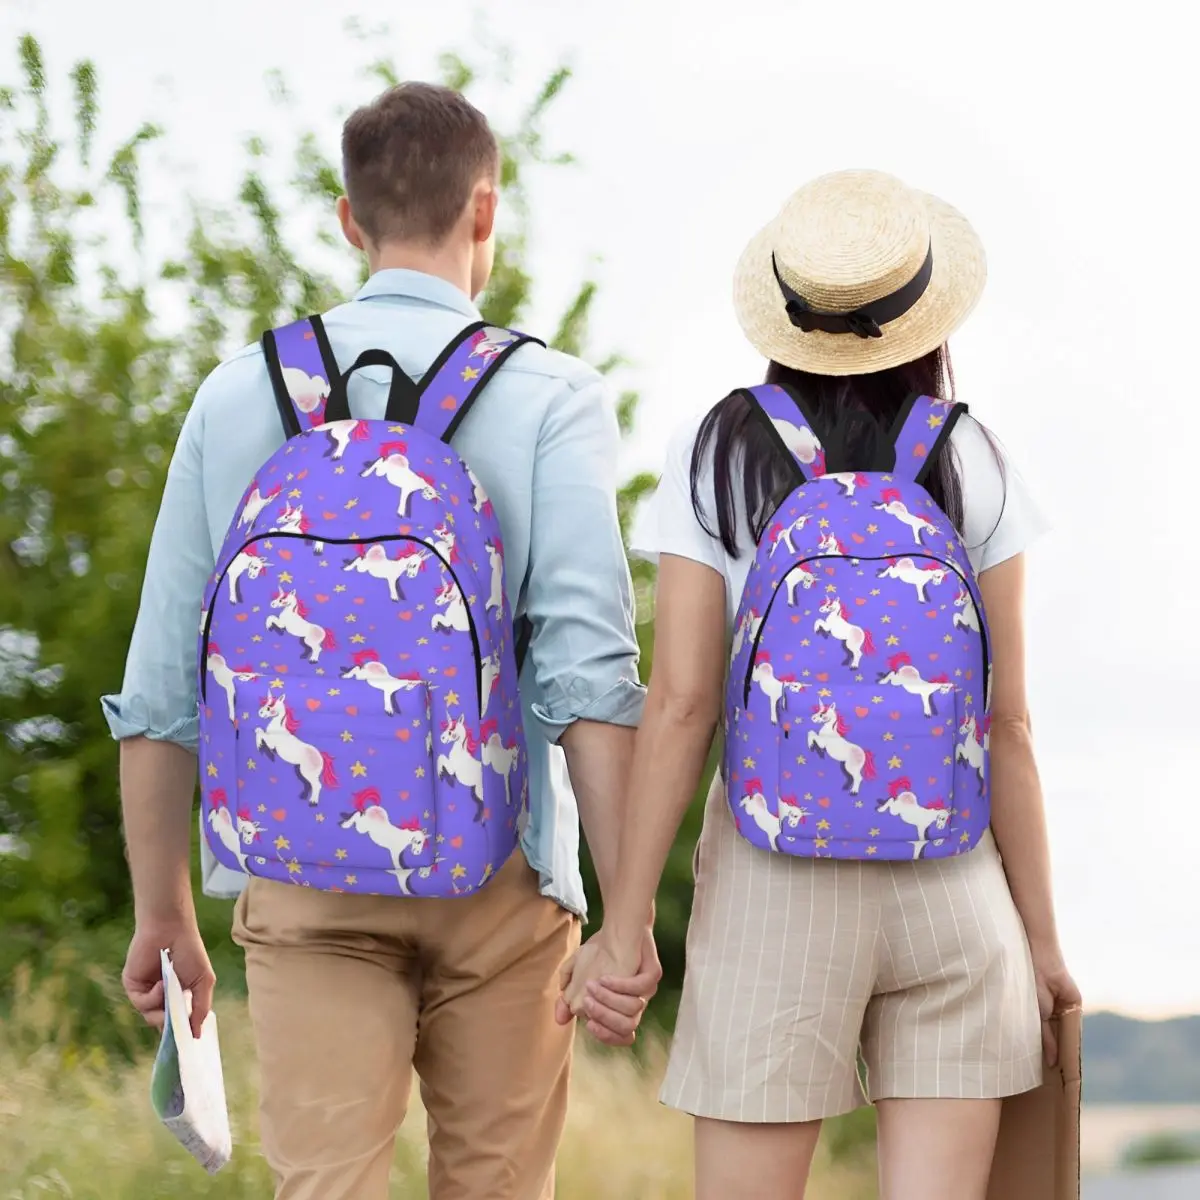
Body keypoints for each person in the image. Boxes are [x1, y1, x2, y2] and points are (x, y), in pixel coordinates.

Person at [104, 81, 660, 1200]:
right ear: (485, 213)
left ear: (350, 220)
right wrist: (627, 915)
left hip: (302, 879)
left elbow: (163, 684)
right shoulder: (550, 395)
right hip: (501, 874)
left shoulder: (237, 395)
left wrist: (162, 912)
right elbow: (589, 677)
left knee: (325, 1186)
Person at [561, 169, 1081, 1200]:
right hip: (954, 883)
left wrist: (623, 928)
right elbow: (1007, 723)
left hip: (773, 882)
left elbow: (681, 705)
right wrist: (1043, 944)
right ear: (925, 317)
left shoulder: (717, 451)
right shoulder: (972, 455)